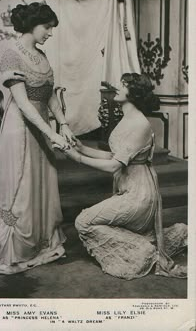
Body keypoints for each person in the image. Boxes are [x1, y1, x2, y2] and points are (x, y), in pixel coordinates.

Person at [63, 73, 187, 280]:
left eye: (124, 85)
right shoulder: (126, 118)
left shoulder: (139, 124)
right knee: (107, 226)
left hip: (140, 195)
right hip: (128, 188)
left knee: (83, 221)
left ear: (135, 93)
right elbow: (115, 155)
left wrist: (77, 158)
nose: (117, 87)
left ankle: (147, 253)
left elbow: (113, 166)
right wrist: (82, 147)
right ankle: (170, 236)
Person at [0, 1, 75, 275]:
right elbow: (24, 104)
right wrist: (51, 133)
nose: (50, 33)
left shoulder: (41, 54)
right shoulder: (11, 55)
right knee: (21, 188)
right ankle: (15, 251)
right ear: (32, 25)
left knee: (43, 184)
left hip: (43, 126)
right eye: (47, 27)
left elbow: (48, 94)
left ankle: (43, 244)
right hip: (21, 128)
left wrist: (63, 124)